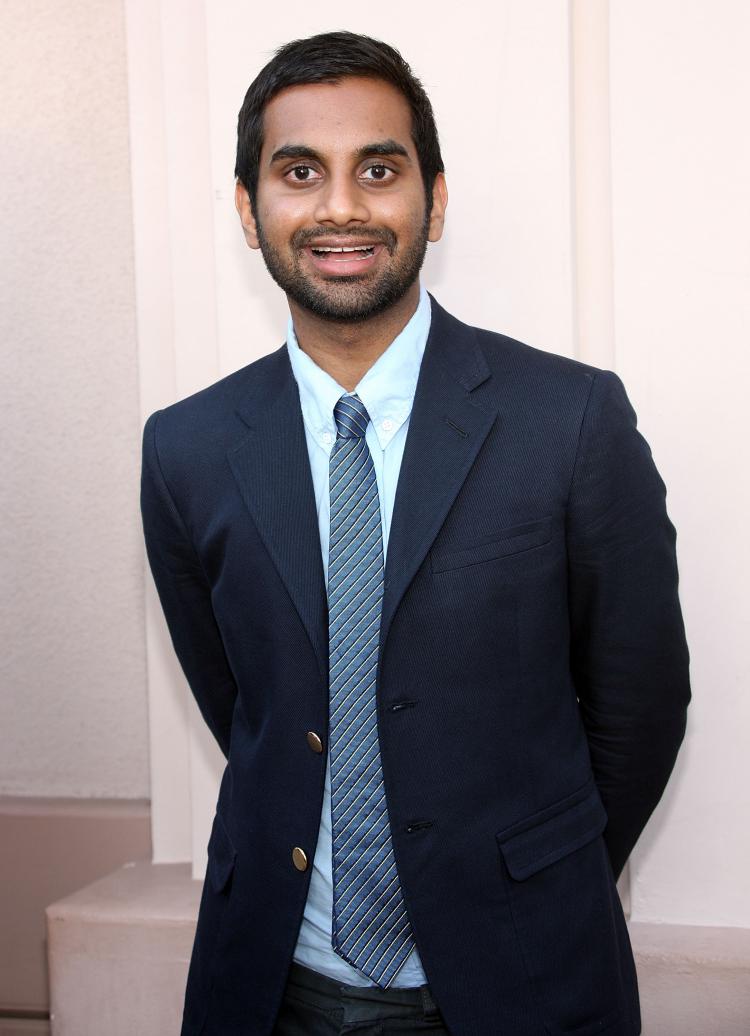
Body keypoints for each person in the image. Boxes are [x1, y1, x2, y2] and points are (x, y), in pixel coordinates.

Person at [140, 30, 690, 1036]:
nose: (340, 206)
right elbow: (249, 708)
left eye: (378, 169)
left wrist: (538, 875)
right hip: (271, 984)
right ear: (248, 211)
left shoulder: (568, 422)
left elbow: (640, 706)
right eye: (298, 171)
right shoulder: (186, 449)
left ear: (433, 200)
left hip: (525, 979)